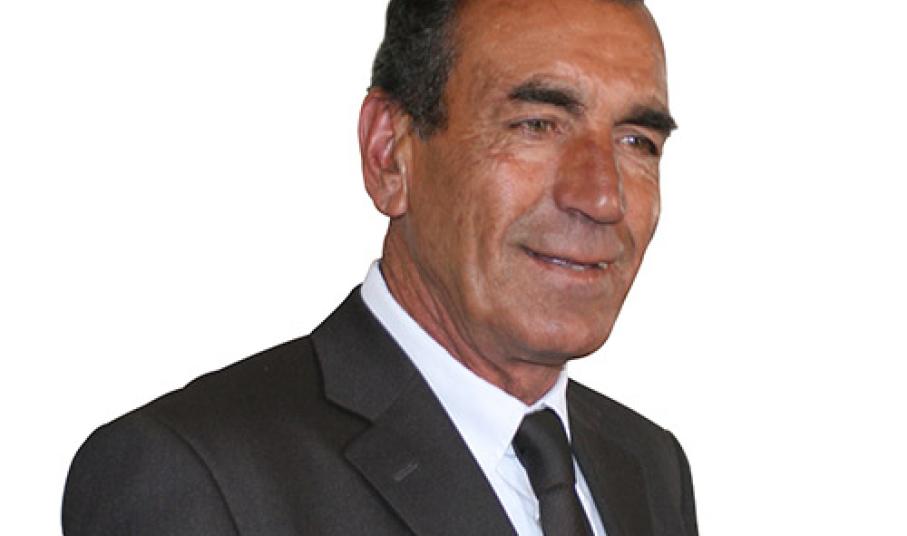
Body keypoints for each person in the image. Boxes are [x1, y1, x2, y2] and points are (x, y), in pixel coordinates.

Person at [62, 0, 697, 534]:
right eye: (536, 125)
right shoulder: (196, 476)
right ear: (389, 154)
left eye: (636, 142)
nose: (602, 197)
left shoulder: (648, 465)